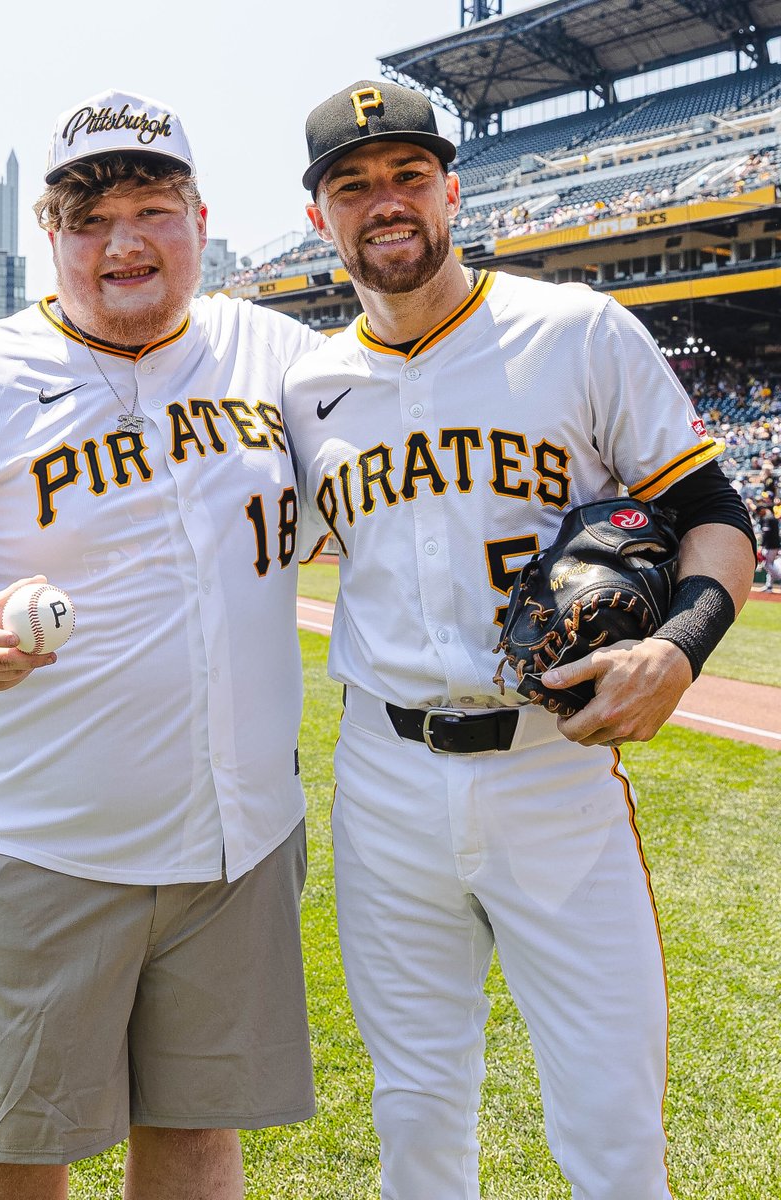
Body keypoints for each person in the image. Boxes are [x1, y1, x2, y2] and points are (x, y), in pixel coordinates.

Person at [0, 88, 324, 1200]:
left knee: (200, 1140)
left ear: (200, 219)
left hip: (237, 846)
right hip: (46, 845)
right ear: (49, 237)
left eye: (150, 208)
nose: (121, 242)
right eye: (87, 219)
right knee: (18, 1150)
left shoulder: (279, 353)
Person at [282, 80, 757, 1199]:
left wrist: (680, 647)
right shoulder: (305, 384)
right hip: (385, 777)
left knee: (611, 1120)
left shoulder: (576, 329)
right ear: (320, 219)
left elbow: (719, 519)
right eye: (353, 185)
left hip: (557, 770)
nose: (384, 203)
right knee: (415, 1114)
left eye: (407, 175)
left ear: (452, 188)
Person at [754, 501, 781, 590]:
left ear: (762, 510)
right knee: (769, 564)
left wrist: (761, 546)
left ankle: (778, 576)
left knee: (767, 564)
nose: (759, 514)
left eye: (759, 511)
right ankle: (769, 586)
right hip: (772, 545)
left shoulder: (768, 518)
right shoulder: (768, 517)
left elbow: (767, 534)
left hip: (772, 545)